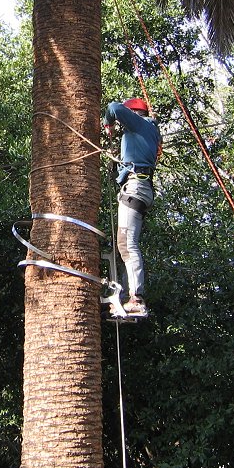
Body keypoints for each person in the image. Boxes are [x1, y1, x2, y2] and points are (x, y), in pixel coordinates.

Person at [103, 98, 161, 317]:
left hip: (136, 187)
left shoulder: (140, 124)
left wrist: (108, 123)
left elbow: (114, 108)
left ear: (134, 113)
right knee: (124, 243)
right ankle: (131, 297)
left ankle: (136, 298)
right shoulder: (150, 130)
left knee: (128, 243)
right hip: (140, 187)